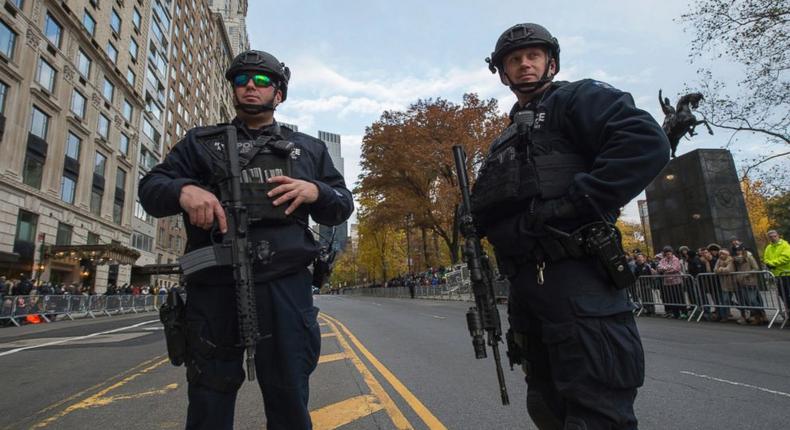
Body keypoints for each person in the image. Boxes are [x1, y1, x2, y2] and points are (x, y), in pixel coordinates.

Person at [139, 49, 353, 430]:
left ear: (279, 94)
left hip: (284, 288)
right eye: (242, 81)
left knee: (288, 394)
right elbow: (151, 188)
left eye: (262, 81)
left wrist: (316, 191)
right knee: (209, 395)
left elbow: (342, 206)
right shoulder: (200, 144)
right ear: (233, 91)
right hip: (215, 286)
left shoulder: (309, 150)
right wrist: (184, 190)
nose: (251, 86)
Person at [472, 23, 669, 429]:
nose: (524, 64)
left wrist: (576, 202)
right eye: (514, 59)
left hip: (578, 278)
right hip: (528, 288)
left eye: (533, 56)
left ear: (551, 62)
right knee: (547, 406)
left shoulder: (579, 97)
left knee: (597, 411)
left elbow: (645, 143)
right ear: (503, 71)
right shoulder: (505, 138)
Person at [763, 230, 790, 319]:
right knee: (783, 296)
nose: (773, 238)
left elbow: (786, 257)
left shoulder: (785, 245)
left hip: (787, 274)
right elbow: (765, 259)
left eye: (774, 236)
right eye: (770, 237)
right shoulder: (768, 247)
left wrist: (772, 263)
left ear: (778, 236)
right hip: (777, 275)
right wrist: (769, 263)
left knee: (789, 295)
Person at [656, 246, 684, 319]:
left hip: (676, 281)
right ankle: (675, 313)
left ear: (672, 253)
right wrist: (667, 268)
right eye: (667, 254)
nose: (668, 255)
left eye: (669, 254)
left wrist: (665, 269)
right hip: (667, 282)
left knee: (679, 297)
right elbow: (659, 268)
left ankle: (684, 312)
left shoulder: (675, 259)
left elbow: (675, 268)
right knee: (671, 298)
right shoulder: (663, 260)